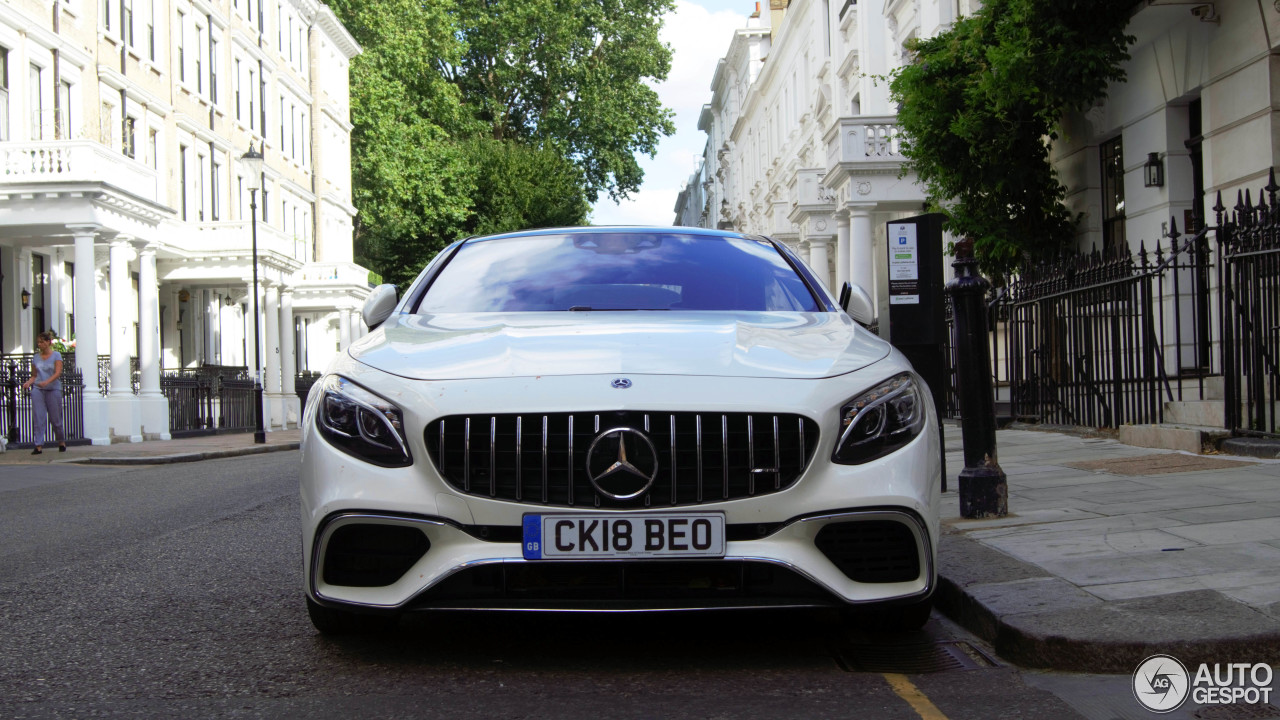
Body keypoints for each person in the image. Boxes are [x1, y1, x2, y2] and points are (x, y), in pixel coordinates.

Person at [22, 330, 67, 455]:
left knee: (55, 419)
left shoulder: (56, 355)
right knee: (38, 417)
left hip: (53, 389)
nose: (39, 345)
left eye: (42, 342)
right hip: (38, 389)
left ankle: (61, 441)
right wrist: (29, 383)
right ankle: (38, 445)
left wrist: (47, 382)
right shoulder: (36, 357)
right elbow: (34, 375)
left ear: (48, 342)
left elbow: (58, 373)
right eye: (38, 343)